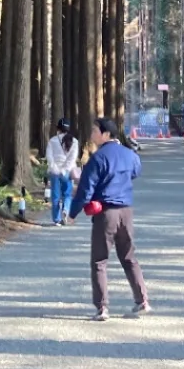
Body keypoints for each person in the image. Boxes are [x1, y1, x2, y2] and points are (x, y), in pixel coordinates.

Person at [69, 117, 150, 321]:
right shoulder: (130, 155)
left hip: (105, 213)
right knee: (129, 257)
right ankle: (142, 300)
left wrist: (72, 213)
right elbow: (135, 172)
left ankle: (102, 307)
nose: (92, 135)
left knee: (99, 260)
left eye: (95, 131)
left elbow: (85, 190)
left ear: (106, 134)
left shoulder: (98, 158)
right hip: (126, 211)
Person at [46, 119, 80, 225]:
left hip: (54, 172)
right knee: (67, 194)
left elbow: (49, 157)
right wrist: (64, 170)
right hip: (68, 172)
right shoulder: (74, 141)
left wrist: (55, 169)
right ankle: (65, 210)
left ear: (58, 128)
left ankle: (56, 220)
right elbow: (72, 158)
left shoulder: (52, 141)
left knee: (55, 196)